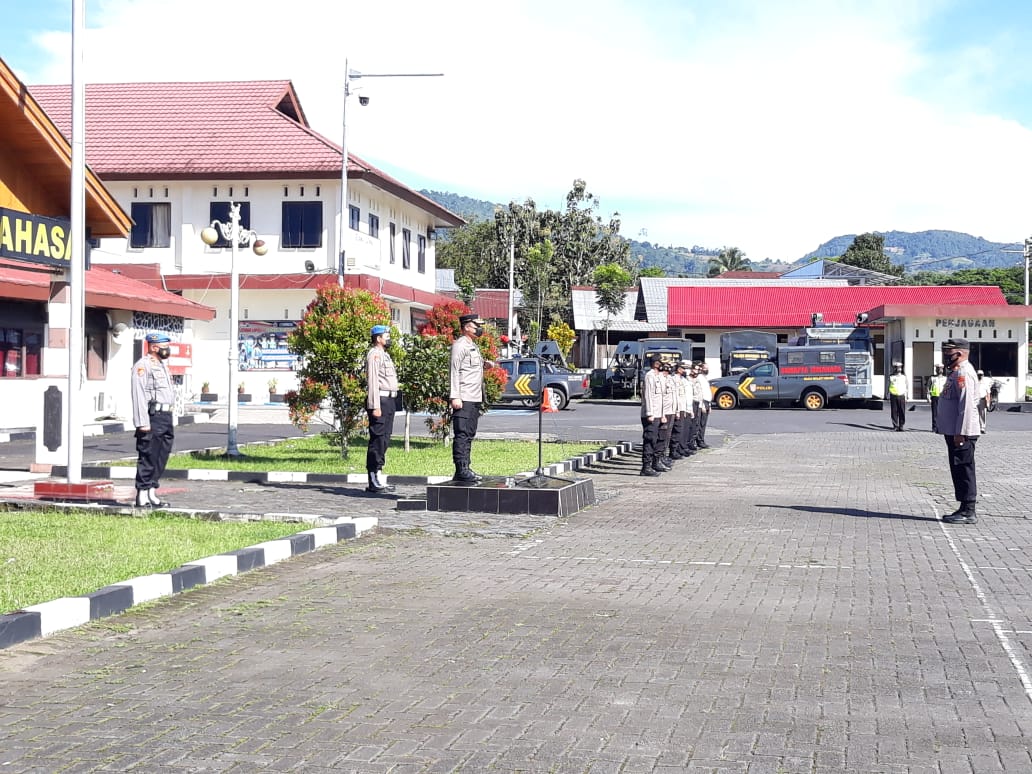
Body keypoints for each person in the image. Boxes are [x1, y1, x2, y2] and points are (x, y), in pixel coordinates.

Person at [936, 338, 981, 524]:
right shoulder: (956, 372)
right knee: (958, 469)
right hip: (955, 431)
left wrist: (961, 432)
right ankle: (963, 507)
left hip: (962, 432)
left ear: (959, 353)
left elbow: (966, 405)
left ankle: (969, 511)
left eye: (949, 354)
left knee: (964, 469)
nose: (946, 357)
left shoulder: (964, 373)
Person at [131, 332, 176, 508]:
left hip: (165, 416)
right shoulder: (143, 365)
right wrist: (142, 422)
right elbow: (138, 394)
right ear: (154, 347)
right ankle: (141, 494)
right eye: (164, 347)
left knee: (161, 456)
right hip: (152, 417)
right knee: (148, 456)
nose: (167, 350)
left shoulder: (162, 366)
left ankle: (151, 491)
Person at [450, 313, 494, 482]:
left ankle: (466, 468)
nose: (479, 329)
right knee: (461, 434)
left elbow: (470, 367)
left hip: (475, 396)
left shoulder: (472, 345)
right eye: (477, 326)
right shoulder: (460, 345)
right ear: (467, 327)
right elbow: (454, 371)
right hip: (464, 396)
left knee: (469, 433)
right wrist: (455, 396)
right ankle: (461, 469)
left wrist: (485, 365)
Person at [365, 324, 399, 494]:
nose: (389, 338)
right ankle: (373, 478)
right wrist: (375, 405)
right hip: (380, 401)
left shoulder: (385, 355)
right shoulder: (375, 355)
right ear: (378, 338)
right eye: (386, 336)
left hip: (389, 400)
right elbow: (372, 381)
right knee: (377, 440)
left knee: (384, 440)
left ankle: (379, 475)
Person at [639, 358, 665, 476]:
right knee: (649, 439)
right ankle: (646, 467)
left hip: (658, 413)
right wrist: (650, 413)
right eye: (660, 362)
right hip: (651, 414)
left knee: (656, 439)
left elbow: (662, 398)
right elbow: (648, 395)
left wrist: (663, 414)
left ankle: (654, 464)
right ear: (655, 363)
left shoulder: (659, 376)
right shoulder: (650, 376)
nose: (662, 364)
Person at [695, 361, 712, 448]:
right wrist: (702, 405)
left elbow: (708, 392)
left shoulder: (705, 378)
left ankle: (701, 439)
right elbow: (700, 392)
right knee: (700, 423)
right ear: (701, 368)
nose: (707, 370)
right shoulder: (699, 378)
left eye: (707, 368)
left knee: (704, 423)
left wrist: (710, 405)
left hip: (707, 402)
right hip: (703, 402)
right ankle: (699, 440)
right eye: (705, 368)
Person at [888, 362, 909, 431]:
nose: (899, 369)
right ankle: (895, 426)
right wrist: (888, 394)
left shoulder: (904, 377)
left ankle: (901, 425)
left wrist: (907, 396)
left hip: (901, 395)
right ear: (895, 368)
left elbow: (907, 386)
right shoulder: (891, 376)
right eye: (897, 367)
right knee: (894, 411)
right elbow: (888, 385)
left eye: (900, 367)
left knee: (902, 411)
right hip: (893, 395)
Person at [927, 364, 946, 433]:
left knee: (942, 413)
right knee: (935, 413)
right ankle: (934, 427)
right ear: (936, 369)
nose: (940, 370)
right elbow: (928, 387)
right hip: (935, 397)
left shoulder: (945, 378)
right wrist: (928, 396)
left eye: (941, 368)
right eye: (938, 368)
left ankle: (941, 427)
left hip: (943, 398)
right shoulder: (932, 378)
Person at [976, 369, 989, 434]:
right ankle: (977, 428)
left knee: (983, 414)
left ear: (983, 375)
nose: (980, 376)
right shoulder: (975, 382)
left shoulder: (985, 383)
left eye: (981, 375)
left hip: (983, 399)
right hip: (975, 400)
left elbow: (988, 393)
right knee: (975, 414)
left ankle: (982, 428)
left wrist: (988, 402)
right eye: (979, 375)